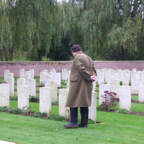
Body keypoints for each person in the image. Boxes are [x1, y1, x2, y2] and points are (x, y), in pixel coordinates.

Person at [64, 45, 97, 128]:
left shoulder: (77, 57)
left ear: (73, 51)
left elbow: (81, 68)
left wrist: (89, 76)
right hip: (86, 83)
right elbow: (93, 68)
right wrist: (93, 76)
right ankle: (84, 123)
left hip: (77, 83)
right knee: (84, 102)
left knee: (73, 101)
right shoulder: (88, 57)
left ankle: (73, 122)